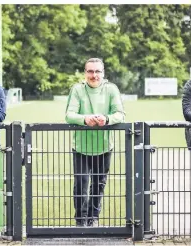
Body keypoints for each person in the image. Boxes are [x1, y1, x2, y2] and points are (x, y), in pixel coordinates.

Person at [65, 58, 125, 227]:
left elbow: (120, 114)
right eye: (90, 71)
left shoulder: (111, 89)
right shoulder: (77, 89)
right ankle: (81, 220)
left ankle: (93, 219)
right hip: (81, 147)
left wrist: (106, 119)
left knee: (98, 185)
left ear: (103, 73)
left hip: (105, 146)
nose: (94, 75)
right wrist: (85, 119)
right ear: (85, 73)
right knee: (81, 186)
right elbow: (69, 115)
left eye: (97, 71)